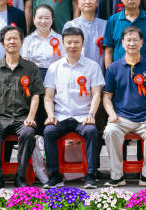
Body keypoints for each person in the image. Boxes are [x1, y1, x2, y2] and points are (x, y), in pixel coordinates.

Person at [102, 25, 146, 187]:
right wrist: (111, 114)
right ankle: (117, 176)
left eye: (135, 40)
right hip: (121, 118)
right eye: (128, 40)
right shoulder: (113, 68)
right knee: (110, 131)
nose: (132, 43)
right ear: (122, 43)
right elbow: (107, 96)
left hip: (145, 119)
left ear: (142, 43)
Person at [43, 25, 104, 188]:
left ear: (82, 43)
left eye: (76, 42)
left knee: (91, 131)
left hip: (83, 116)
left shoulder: (92, 66)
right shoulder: (54, 68)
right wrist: (50, 114)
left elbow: (97, 94)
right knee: (48, 131)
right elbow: (48, 96)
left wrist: (91, 114)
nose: (72, 46)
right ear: (62, 43)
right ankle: (55, 176)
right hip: (60, 115)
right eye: (69, 42)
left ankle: (90, 175)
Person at [0, 25, 43, 188]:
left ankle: (20, 177)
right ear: (2, 43)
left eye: (15, 38)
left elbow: (36, 94)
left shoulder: (31, 68)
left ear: (21, 42)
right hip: (0, 118)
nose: (12, 42)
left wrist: (31, 117)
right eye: (8, 39)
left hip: (23, 118)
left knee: (28, 133)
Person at [65, 0, 108, 66]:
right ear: (78, 3)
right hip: (78, 69)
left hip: (100, 70)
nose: (88, 2)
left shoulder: (106, 25)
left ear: (97, 3)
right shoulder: (71, 25)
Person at [22, 5, 65, 80]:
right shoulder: (27, 40)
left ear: (52, 20)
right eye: (40, 18)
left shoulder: (61, 39)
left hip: (57, 75)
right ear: (34, 20)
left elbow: (65, 60)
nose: (43, 21)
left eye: (47, 18)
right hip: (34, 76)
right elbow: (25, 62)